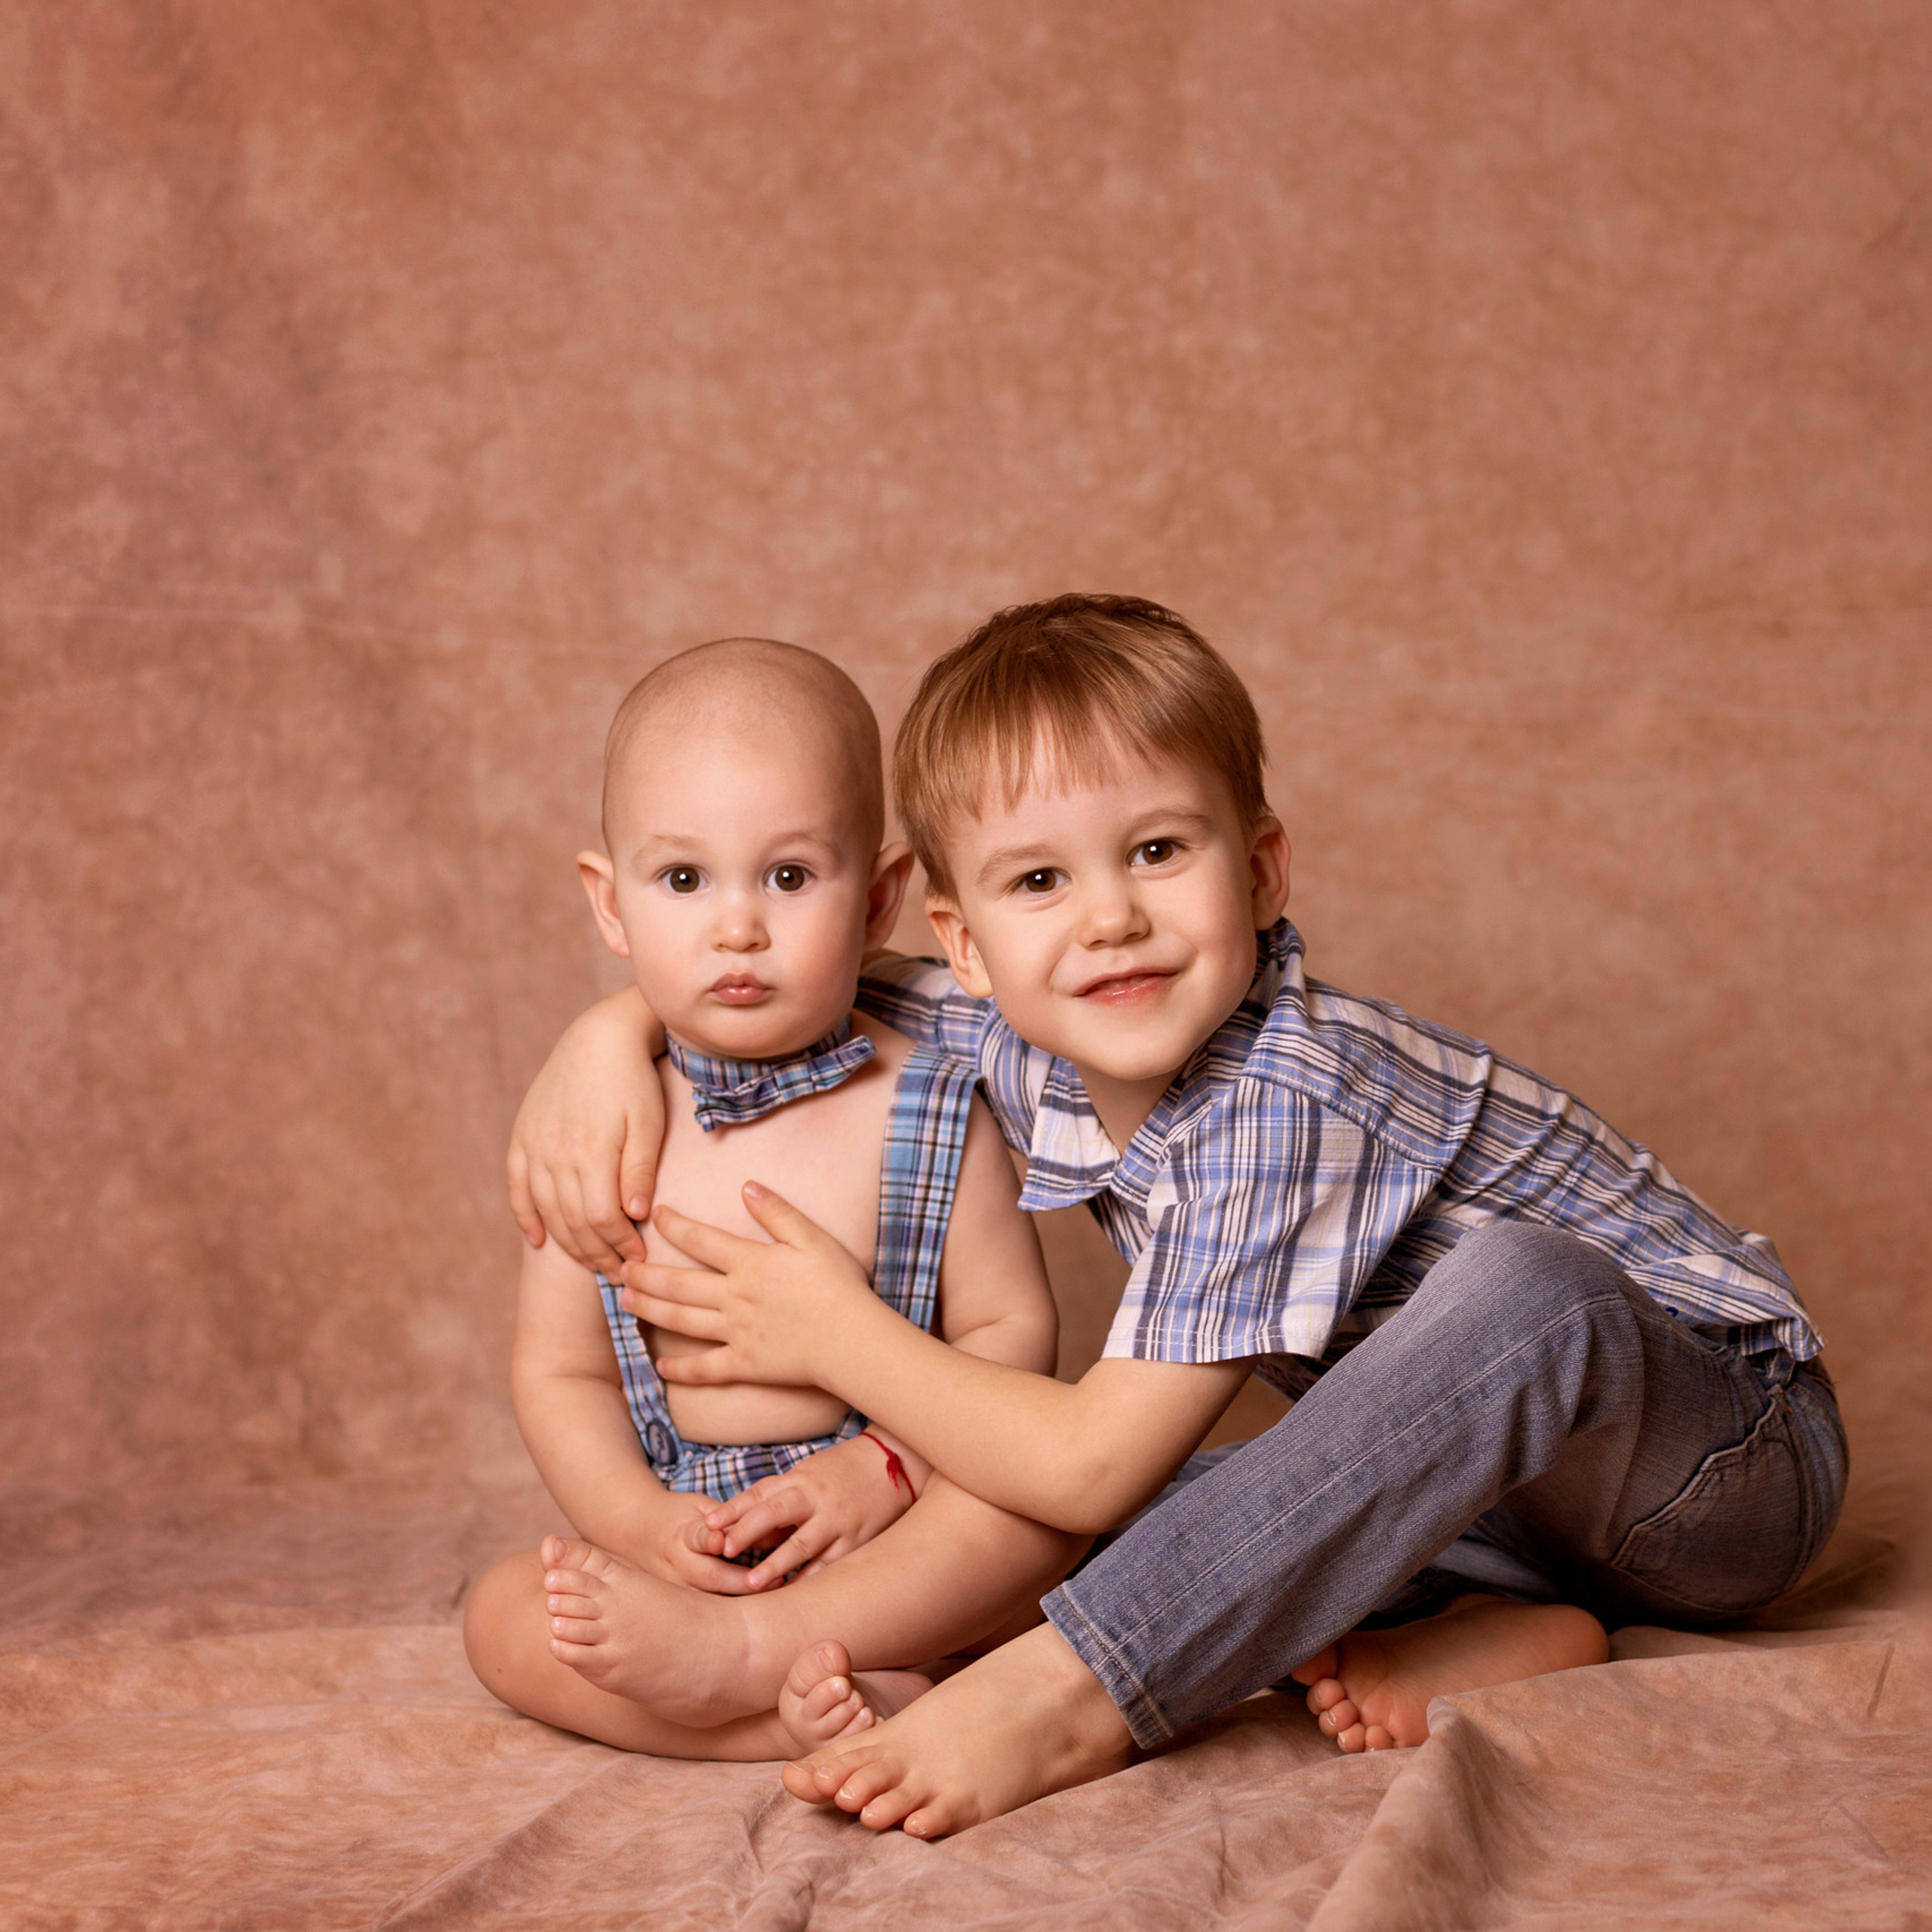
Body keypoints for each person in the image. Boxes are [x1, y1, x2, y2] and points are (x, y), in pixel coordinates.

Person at [508, 595, 1846, 1837]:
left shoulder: (1286, 1093)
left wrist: (831, 1331)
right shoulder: (1022, 1022)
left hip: (1717, 1460)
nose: (1108, 921)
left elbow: (1089, 1454)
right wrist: (602, 1038)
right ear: (963, 941)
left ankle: (1076, 1693)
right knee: (1067, 1535)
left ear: (1261, 872)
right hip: (1483, 1500)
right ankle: (1538, 1624)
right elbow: (779, 983)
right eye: (1038, 883)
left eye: (1156, 850)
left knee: (1519, 1292)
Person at [463, 636, 1082, 1761]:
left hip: (896, 1528)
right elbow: (561, 1372)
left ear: (882, 895)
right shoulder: (597, 1130)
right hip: (690, 1543)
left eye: (789, 877)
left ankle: (832, 1669)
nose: (737, 926)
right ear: (612, 904)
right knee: (501, 1617)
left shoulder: (930, 1102)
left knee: (1036, 1513)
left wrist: (880, 1468)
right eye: (684, 879)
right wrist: (646, 1530)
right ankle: (772, 1720)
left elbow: (1011, 1329)